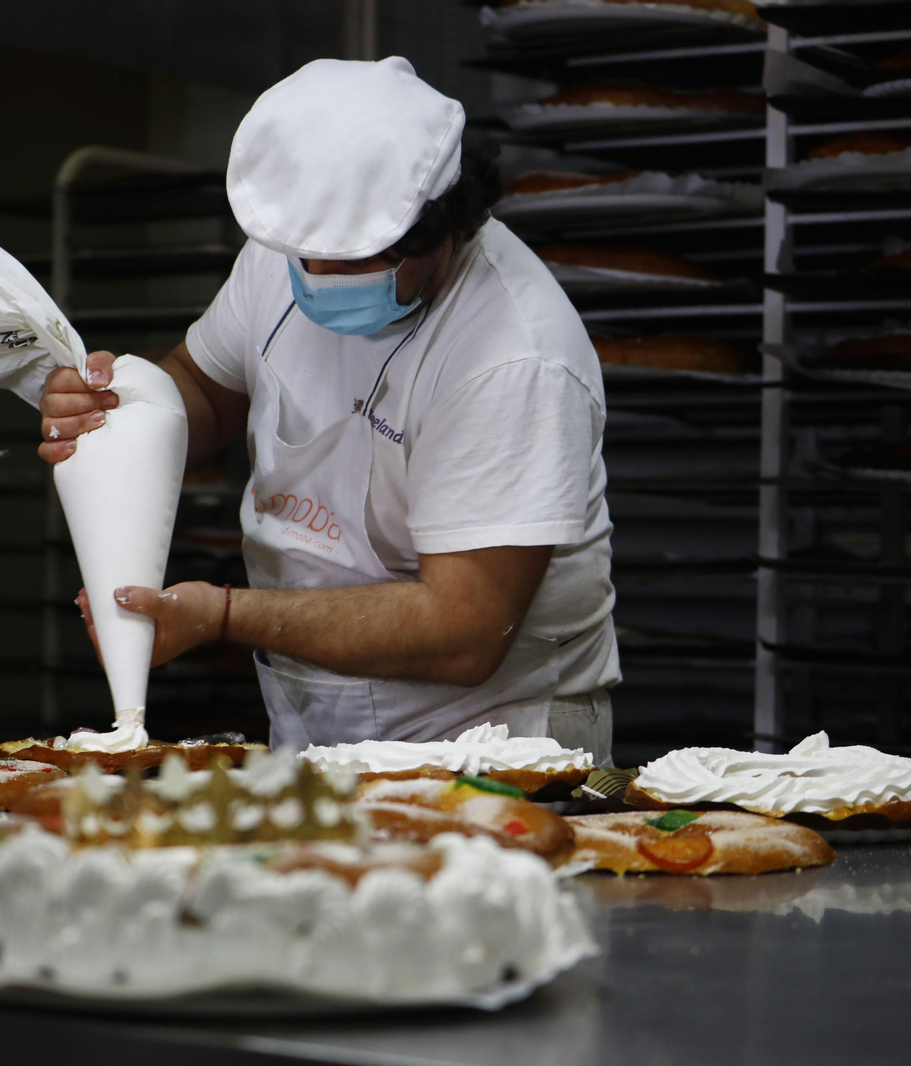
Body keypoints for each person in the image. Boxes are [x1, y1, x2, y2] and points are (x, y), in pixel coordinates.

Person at [36, 57, 618, 757]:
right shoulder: (282, 253)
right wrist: (120, 412)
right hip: (315, 717)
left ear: (444, 229)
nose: (322, 282)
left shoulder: (514, 355)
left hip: (490, 741)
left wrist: (221, 615)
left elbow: (463, 632)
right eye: (308, 259)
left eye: (359, 263)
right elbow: (202, 386)